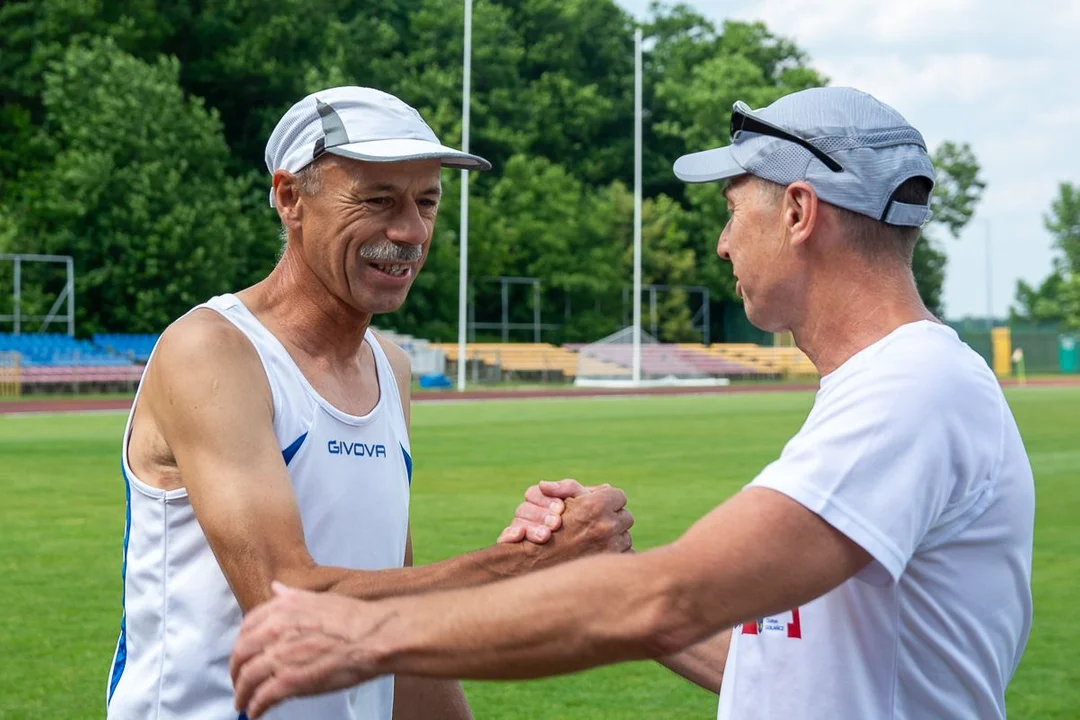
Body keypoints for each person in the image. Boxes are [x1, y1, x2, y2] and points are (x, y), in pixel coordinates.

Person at [228, 86, 1036, 720]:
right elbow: (777, 675)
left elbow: (669, 600)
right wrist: (606, 564)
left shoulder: (912, 391)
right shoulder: (888, 387)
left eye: (731, 211)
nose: (723, 243)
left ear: (797, 212)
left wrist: (365, 635)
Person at [105, 85, 634, 720]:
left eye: (427, 202)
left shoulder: (391, 368)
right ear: (290, 198)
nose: (410, 231)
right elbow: (288, 607)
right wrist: (522, 564)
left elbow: (400, 628)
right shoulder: (212, 352)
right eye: (378, 200)